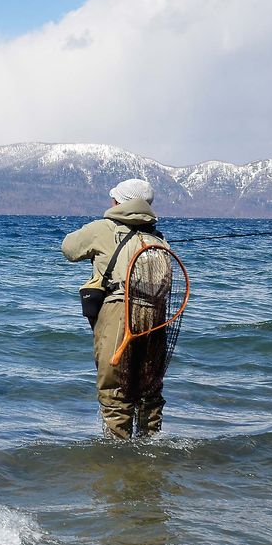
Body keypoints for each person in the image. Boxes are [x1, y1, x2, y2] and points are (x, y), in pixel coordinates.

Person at [62, 178, 168, 438]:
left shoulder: (103, 229)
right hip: (157, 315)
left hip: (119, 311)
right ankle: (150, 450)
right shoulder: (157, 237)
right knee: (149, 390)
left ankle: (117, 456)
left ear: (118, 202)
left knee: (114, 389)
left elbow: (68, 248)